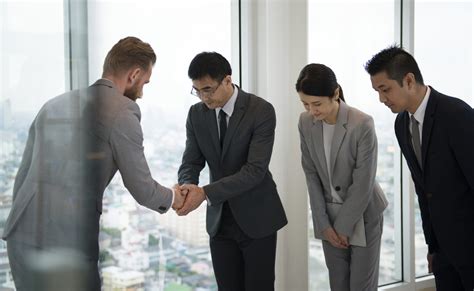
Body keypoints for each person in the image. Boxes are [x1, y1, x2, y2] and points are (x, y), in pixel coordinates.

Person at [3, 36, 185, 291]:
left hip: (20, 235)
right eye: (144, 83)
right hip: (68, 241)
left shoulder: (54, 104)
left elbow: (23, 175)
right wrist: (176, 198)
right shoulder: (123, 111)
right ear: (133, 75)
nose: (142, 92)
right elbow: (142, 188)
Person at [365, 45, 474, 291]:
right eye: (377, 91)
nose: (381, 99)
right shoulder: (401, 124)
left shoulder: (457, 115)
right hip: (443, 251)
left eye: (385, 89)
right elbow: (424, 191)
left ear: (409, 80)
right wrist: (432, 247)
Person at [175, 51, 287, 291]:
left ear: (227, 80)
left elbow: (255, 171)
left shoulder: (261, 110)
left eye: (208, 89)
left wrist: (204, 193)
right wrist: (186, 187)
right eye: (197, 90)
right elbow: (191, 162)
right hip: (220, 221)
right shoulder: (196, 115)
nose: (203, 98)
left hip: (257, 217)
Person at [297, 63, 388, 290]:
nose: (312, 111)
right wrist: (323, 223)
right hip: (328, 217)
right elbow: (311, 174)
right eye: (305, 104)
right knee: (338, 284)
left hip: (364, 213)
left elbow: (363, 183)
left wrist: (343, 228)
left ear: (335, 93)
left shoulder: (362, 123)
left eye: (317, 104)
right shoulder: (305, 122)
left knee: (360, 286)